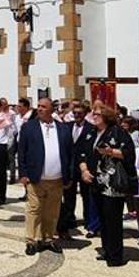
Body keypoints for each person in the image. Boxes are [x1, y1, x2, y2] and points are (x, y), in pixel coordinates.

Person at [78, 105, 136, 267]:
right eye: (93, 114)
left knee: (113, 220)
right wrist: (84, 170)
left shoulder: (118, 133)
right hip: (96, 182)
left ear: (106, 116)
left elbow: (129, 154)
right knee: (102, 218)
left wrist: (110, 152)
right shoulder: (91, 133)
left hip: (112, 185)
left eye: (97, 114)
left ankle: (115, 256)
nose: (94, 117)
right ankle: (106, 249)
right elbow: (81, 153)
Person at [18, 97, 74, 256]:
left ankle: (48, 238)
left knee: (52, 211)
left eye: (44, 106)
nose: (40, 109)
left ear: (52, 109)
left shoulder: (63, 129)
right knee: (34, 209)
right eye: (39, 106)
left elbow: (70, 154)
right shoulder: (29, 127)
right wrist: (23, 173)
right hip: (36, 178)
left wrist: (68, 175)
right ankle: (31, 240)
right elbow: (21, 151)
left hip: (56, 179)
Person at [59, 102, 92, 240]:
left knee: (87, 195)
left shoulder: (91, 128)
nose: (77, 115)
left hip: (84, 166)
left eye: (80, 113)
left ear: (84, 114)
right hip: (70, 166)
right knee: (68, 195)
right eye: (75, 113)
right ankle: (69, 220)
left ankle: (88, 220)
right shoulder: (67, 127)